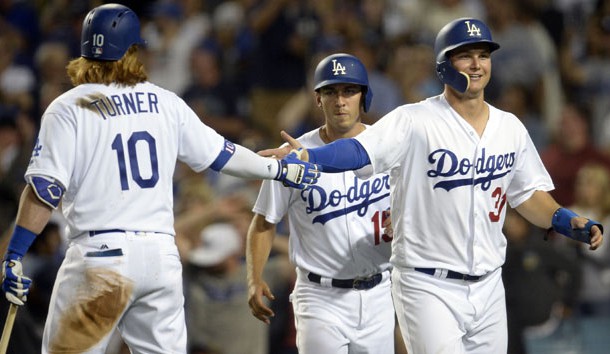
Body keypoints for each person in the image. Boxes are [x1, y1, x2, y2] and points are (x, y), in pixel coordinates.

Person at [266, 18, 604, 353]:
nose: (476, 64)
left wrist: (564, 220)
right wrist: (313, 157)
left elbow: (528, 195)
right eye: (465, 55)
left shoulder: (509, 127)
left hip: (488, 285)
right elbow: (359, 150)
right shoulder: (414, 120)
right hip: (427, 284)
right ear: (444, 64)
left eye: (483, 55)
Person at [0, 4, 318, 354]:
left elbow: (44, 190)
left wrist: (14, 252)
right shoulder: (165, 102)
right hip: (160, 259)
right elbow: (222, 155)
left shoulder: (68, 106)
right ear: (135, 49)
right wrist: (277, 168)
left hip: (100, 258)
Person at [247, 53, 397, 354]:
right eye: (330, 91)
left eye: (348, 91)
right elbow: (264, 222)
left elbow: (423, 203)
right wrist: (253, 278)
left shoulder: (388, 145)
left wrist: (407, 218)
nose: (340, 101)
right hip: (320, 296)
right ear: (318, 99)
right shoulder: (292, 155)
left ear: (363, 97)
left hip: (381, 292)